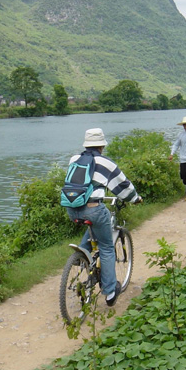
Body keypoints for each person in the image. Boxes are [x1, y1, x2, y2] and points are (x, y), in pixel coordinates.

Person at [65, 128, 143, 307]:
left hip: (71, 208)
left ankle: (81, 256)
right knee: (107, 247)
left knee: (93, 226)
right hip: (94, 209)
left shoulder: (74, 160)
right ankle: (109, 293)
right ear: (101, 145)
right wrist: (135, 198)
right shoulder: (105, 162)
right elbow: (123, 186)